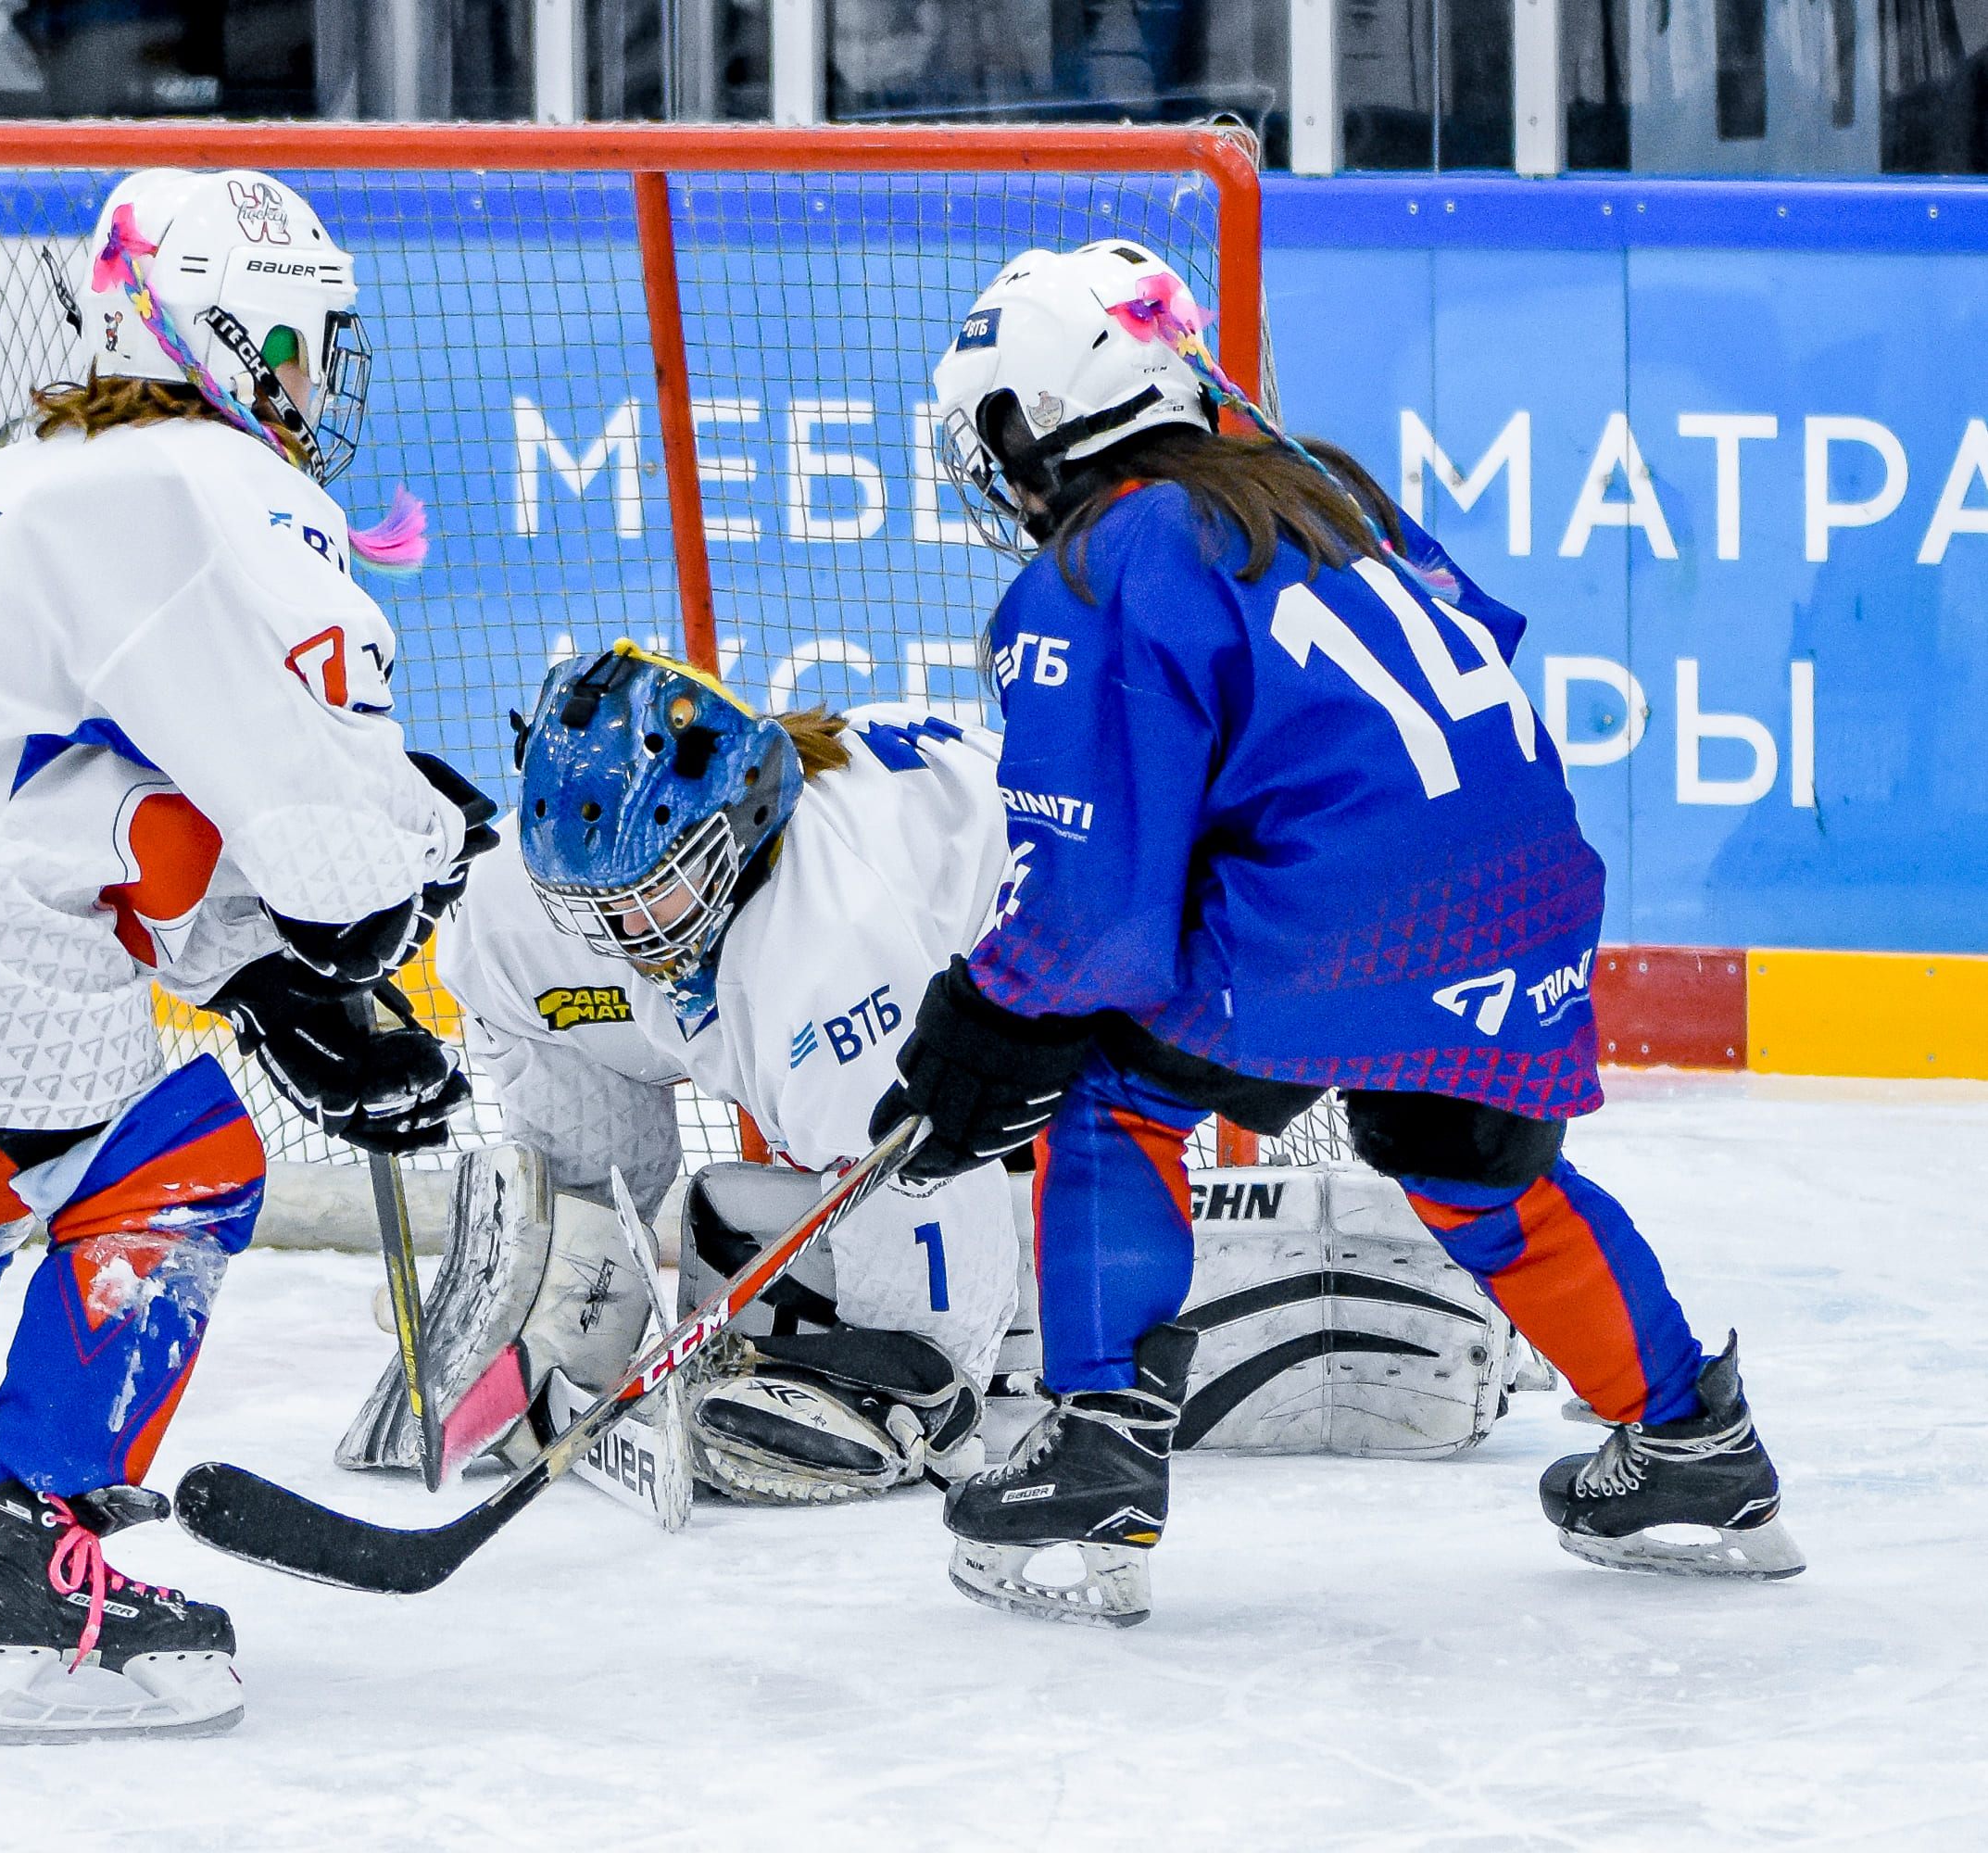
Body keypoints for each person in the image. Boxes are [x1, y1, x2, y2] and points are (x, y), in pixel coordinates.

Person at [873, 238, 1802, 1626]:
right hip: (1522, 883)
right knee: (1471, 1163)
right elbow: (1451, 659)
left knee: (1108, 1092)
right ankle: (1693, 1450)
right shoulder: (1315, 487)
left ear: (1040, 418)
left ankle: (1095, 1465)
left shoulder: (1098, 564)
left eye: (996, 421)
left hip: (1333, 911)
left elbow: (1088, 899)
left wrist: (991, 1025)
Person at [0, 166, 492, 1741]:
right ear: (231, 333)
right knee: (182, 1163)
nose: (316, 381)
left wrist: (263, 976)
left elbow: (116, 796)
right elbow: (331, 859)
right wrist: (398, 870)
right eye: (302, 342)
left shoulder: (41, 469)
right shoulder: (215, 483)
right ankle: (43, 1572)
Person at [346, 646, 1014, 1506]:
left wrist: (918, 1380)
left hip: (1059, 960)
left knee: (905, 1196)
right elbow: (559, 1078)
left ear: (738, 824)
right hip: (856, 966)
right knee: (643, 1194)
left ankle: (1015, 1330)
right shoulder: (521, 903)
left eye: (647, 895)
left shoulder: (830, 948)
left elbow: (922, 1184)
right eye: (590, 904)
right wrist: (559, 1291)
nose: (617, 933)